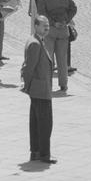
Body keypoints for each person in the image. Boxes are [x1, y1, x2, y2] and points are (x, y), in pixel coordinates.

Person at [21, 16, 56, 164]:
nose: (47, 28)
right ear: (36, 26)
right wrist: (27, 86)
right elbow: (29, 68)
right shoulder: (35, 43)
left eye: (48, 25)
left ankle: (35, 152)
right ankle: (44, 154)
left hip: (38, 88)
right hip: (40, 89)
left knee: (35, 123)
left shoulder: (36, 40)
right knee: (45, 123)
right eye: (43, 26)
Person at [36, 0, 77, 93]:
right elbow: (73, 8)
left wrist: (53, 23)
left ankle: (48, 84)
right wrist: (66, 20)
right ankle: (63, 85)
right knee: (62, 59)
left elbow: (42, 13)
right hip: (63, 30)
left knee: (48, 58)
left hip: (50, 30)